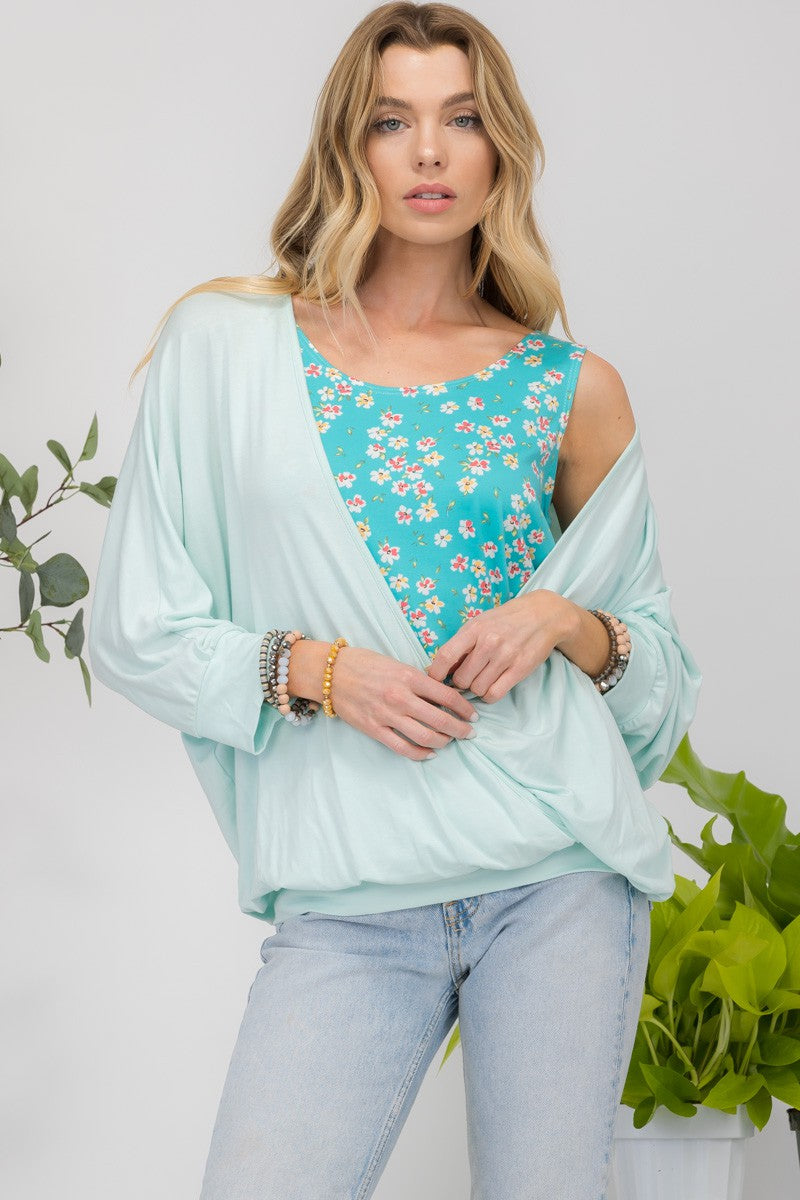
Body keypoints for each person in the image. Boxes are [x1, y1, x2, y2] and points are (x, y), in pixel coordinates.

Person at [87, 4, 702, 1197]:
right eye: (390, 121)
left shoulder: (570, 388)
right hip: (350, 897)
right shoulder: (225, 347)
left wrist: (564, 623)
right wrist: (321, 672)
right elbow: (137, 630)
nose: (427, 152)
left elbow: (658, 690)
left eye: (459, 119)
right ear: (347, 145)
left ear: (499, 147)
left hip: (556, 878)